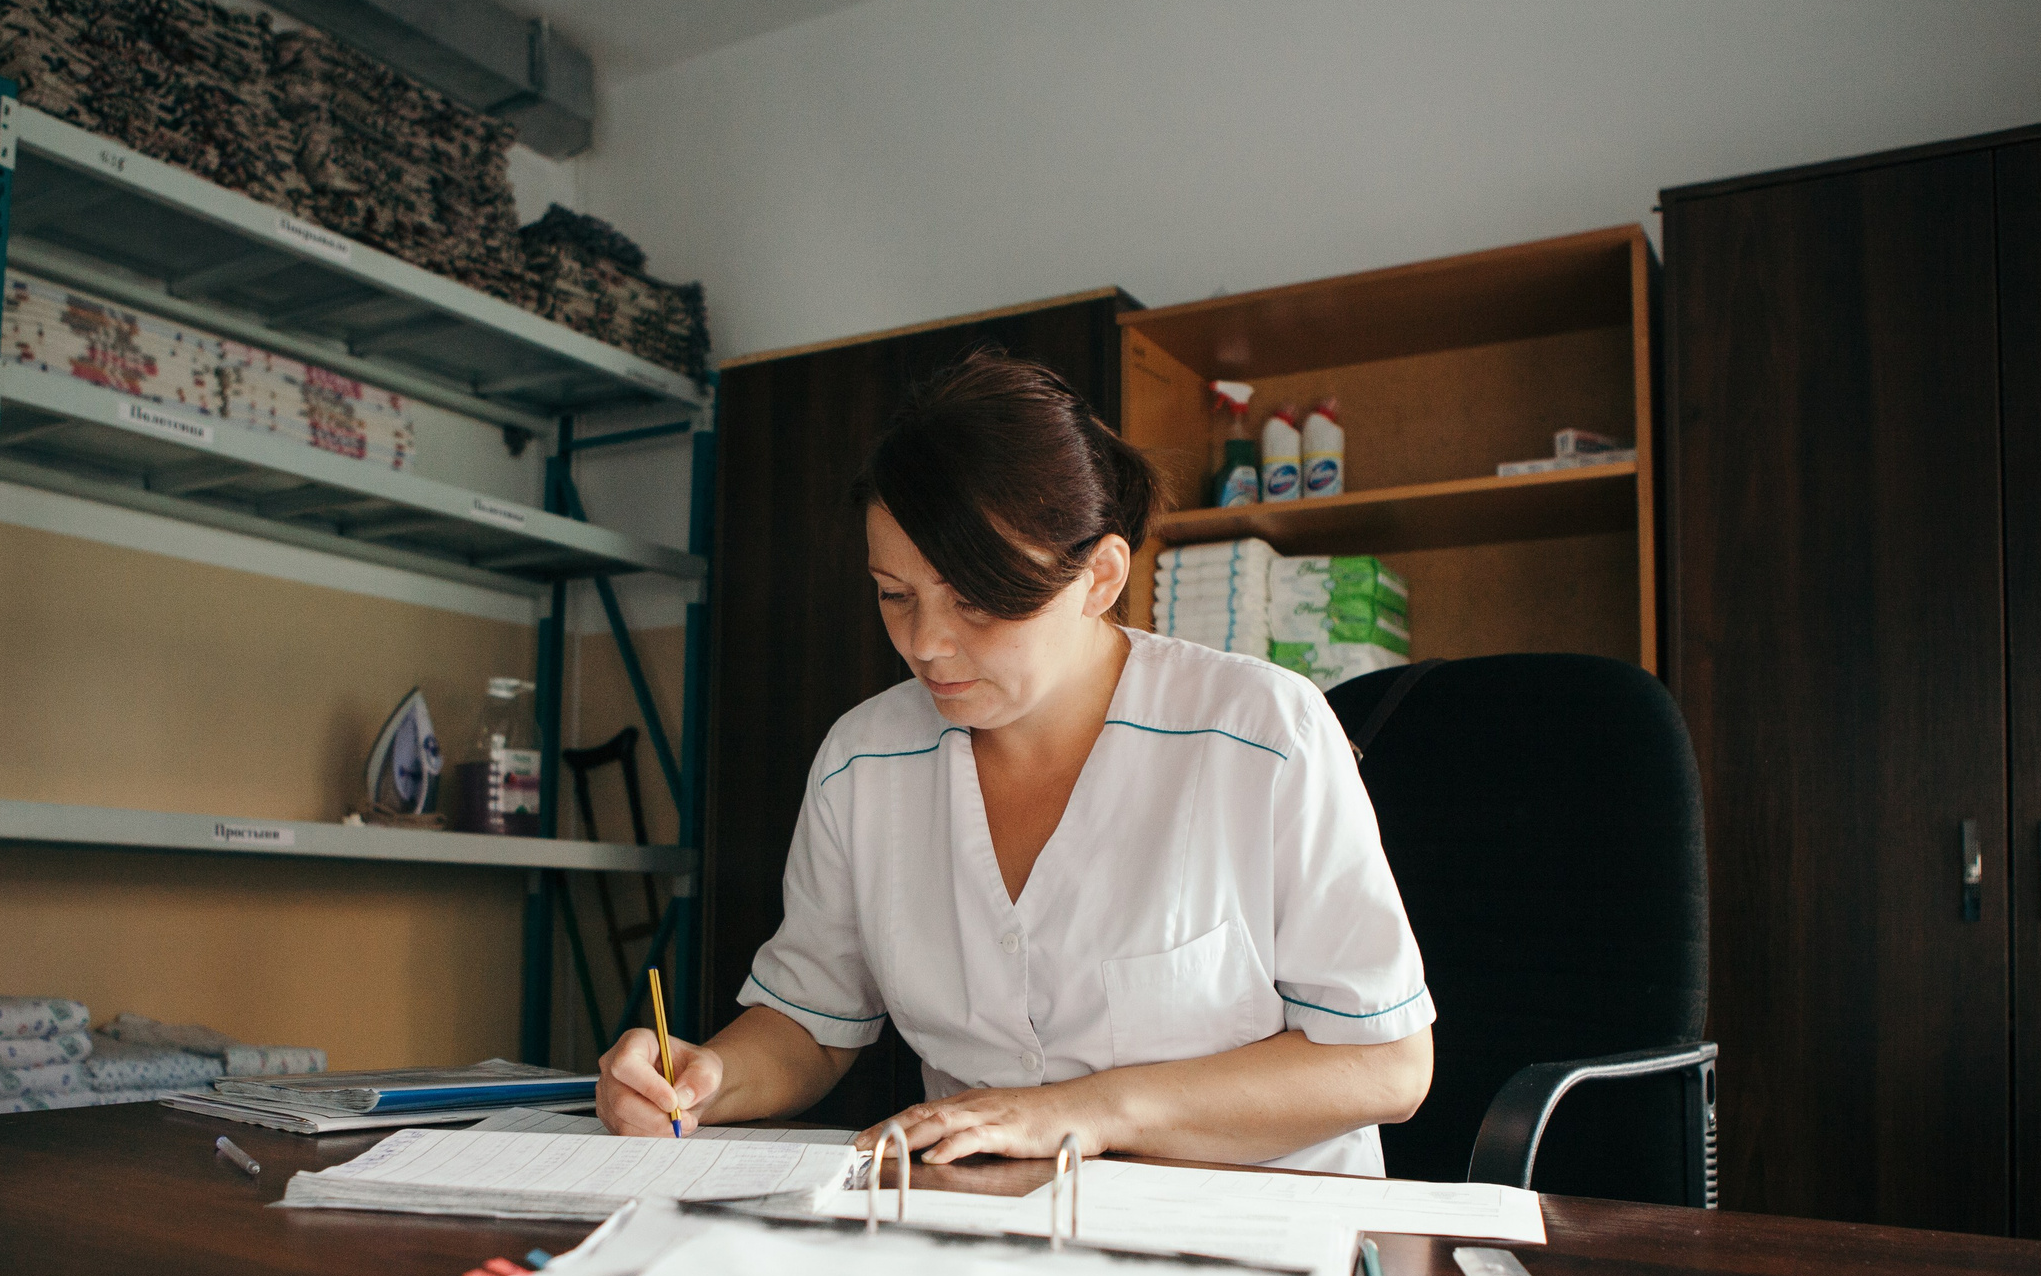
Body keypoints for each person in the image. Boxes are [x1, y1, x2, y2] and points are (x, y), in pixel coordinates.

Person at [595, 352, 1433, 1172]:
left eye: (979, 599)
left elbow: (1387, 1065)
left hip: (1256, 1240)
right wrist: (706, 1076)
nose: (927, 643)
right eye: (896, 594)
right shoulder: (864, 761)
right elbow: (811, 1019)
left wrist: (1086, 1111)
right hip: (987, 1231)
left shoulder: (1262, 735)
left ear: (1100, 575)